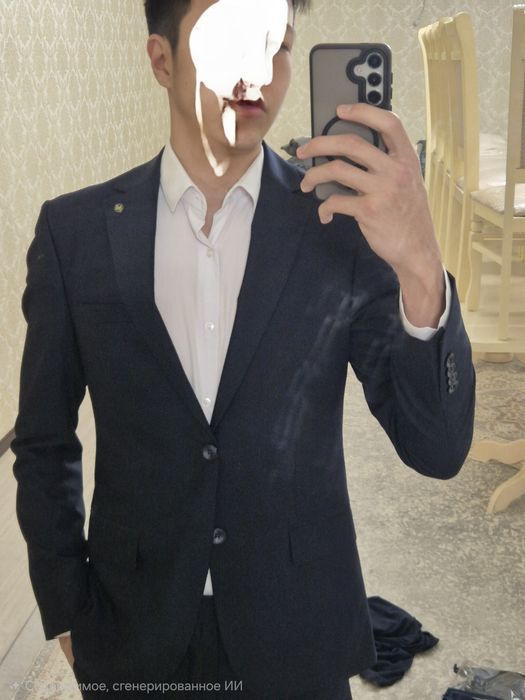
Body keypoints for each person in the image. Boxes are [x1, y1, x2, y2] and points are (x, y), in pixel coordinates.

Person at [11, 0, 475, 698]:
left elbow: (436, 448)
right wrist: (66, 609)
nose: (256, 71)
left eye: (275, 44)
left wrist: (419, 265)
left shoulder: (341, 228)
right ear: (161, 59)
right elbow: (44, 442)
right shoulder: (75, 233)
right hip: (131, 627)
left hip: (297, 632)